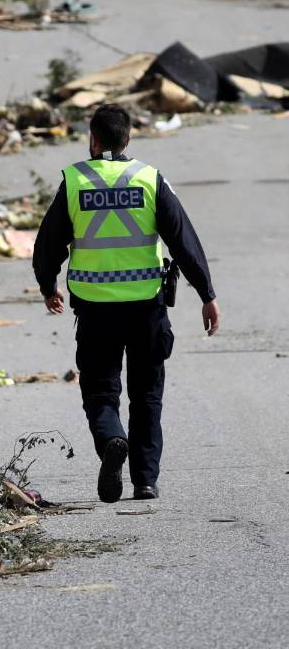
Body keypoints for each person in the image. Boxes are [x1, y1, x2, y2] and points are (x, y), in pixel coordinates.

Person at [32, 104, 220, 503]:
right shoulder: (150, 179)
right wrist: (207, 294)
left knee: (101, 392)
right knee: (147, 395)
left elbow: (48, 244)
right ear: (128, 138)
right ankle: (145, 481)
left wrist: (48, 285)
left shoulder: (76, 181)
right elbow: (183, 241)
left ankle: (112, 440)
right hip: (146, 307)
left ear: (93, 138)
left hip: (96, 308)